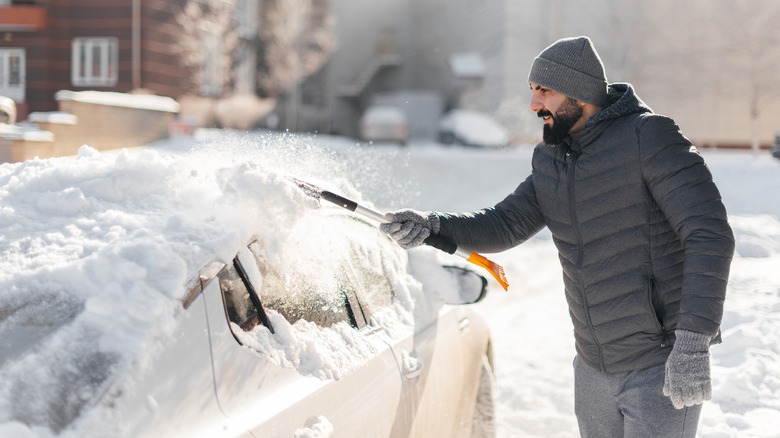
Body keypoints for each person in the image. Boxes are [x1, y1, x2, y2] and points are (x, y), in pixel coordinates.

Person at [380, 36, 735, 437]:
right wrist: (432, 225)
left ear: (581, 92)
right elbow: (505, 223)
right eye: (532, 91)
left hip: (658, 365)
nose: (534, 105)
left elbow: (710, 235)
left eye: (544, 91)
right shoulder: (552, 159)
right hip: (592, 368)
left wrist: (692, 341)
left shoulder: (648, 138)